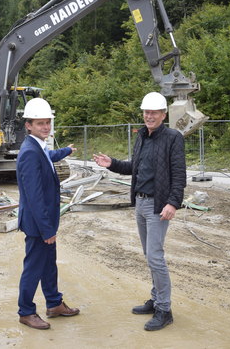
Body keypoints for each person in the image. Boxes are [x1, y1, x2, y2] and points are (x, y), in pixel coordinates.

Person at [93, 91, 186, 331]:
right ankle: (156, 300)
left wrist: (173, 202)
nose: (149, 116)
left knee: (155, 257)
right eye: (146, 112)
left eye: (154, 112)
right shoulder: (142, 136)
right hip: (141, 203)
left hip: (159, 205)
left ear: (164, 114)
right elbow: (135, 167)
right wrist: (112, 163)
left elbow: (179, 174)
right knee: (149, 255)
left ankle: (164, 310)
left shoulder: (173, 138)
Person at [16, 97, 80, 330]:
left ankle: (54, 304)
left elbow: (48, 159)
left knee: (49, 264)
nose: (46, 127)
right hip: (38, 224)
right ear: (28, 125)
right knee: (34, 267)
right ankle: (26, 311)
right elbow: (34, 197)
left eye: (48, 123)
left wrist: (66, 151)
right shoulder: (30, 152)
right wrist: (46, 229)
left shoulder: (38, 147)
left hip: (45, 222)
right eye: (40, 123)